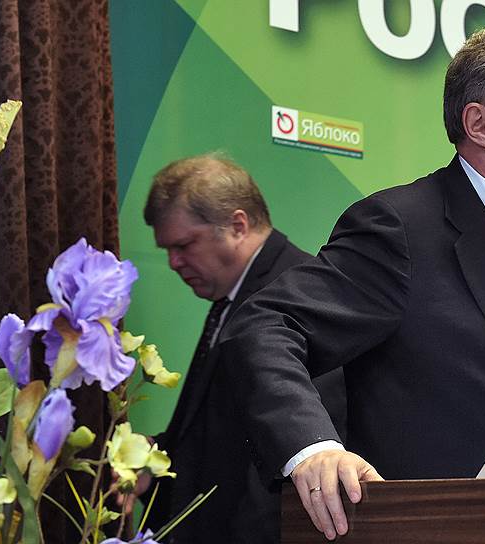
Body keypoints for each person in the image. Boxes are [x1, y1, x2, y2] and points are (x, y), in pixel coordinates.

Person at [218, 25, 485, 540]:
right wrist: (313, 449)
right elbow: (265, 325)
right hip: (435, 527)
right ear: (480, 124)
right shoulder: (401, 228)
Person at [135, 154, 347, 543]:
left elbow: (295, 447)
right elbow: (223, 431)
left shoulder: (296, 294)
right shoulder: (233, 295)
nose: (173, 262)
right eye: (167, 250)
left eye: (184, 245)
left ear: (237, 225)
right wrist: (154, 455)